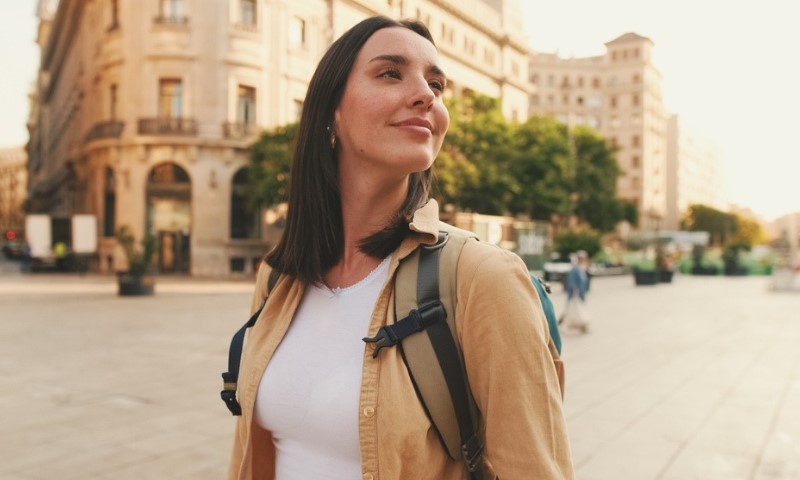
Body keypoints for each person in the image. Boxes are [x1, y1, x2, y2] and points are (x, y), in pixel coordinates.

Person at [227, 16, 572, 480]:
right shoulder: (278, 275)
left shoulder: (481, 277)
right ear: (333, 111)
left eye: (435, 84)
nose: (426, 94)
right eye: (391, 73)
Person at [562, 250, 591, 333]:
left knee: (578, 310)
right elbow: (571, 282)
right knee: (576, 310)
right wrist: (575, 290)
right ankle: (581, 325)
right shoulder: (575, 269)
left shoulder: (581, 268)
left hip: (581, 294)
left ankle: (580, 325)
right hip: (575, 294)